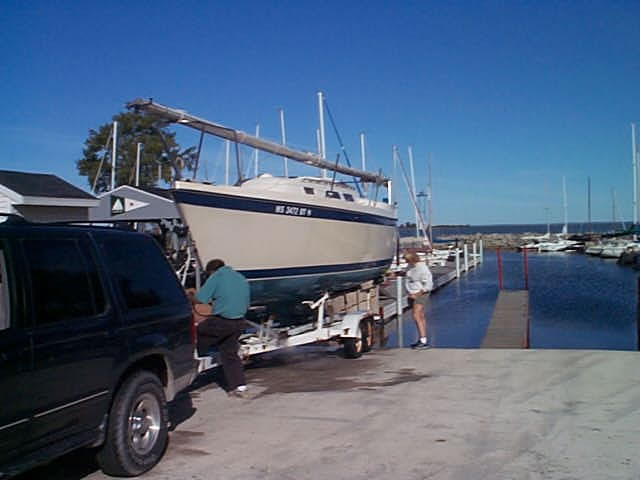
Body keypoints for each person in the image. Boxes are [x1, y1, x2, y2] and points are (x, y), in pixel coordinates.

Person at [190, 259, 251, 398]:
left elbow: (200, 299)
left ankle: (188, 366)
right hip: (240, 322)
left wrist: (189, 296)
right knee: (230, 353)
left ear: (211, 271)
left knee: (196, 333)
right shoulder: (239, 277)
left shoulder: (216, 277)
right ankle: (240, 387)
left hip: (222, 322)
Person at [404, 252, 433, 350]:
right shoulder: (410, 267)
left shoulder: (422, 269)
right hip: (412, 293)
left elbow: (428, 285)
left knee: (416, 315)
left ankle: (423, 341)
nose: (406, 262)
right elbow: (408, 275)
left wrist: (417, 294)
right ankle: (423, 339)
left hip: (421, 293)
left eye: (407, 260)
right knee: (420, 316)